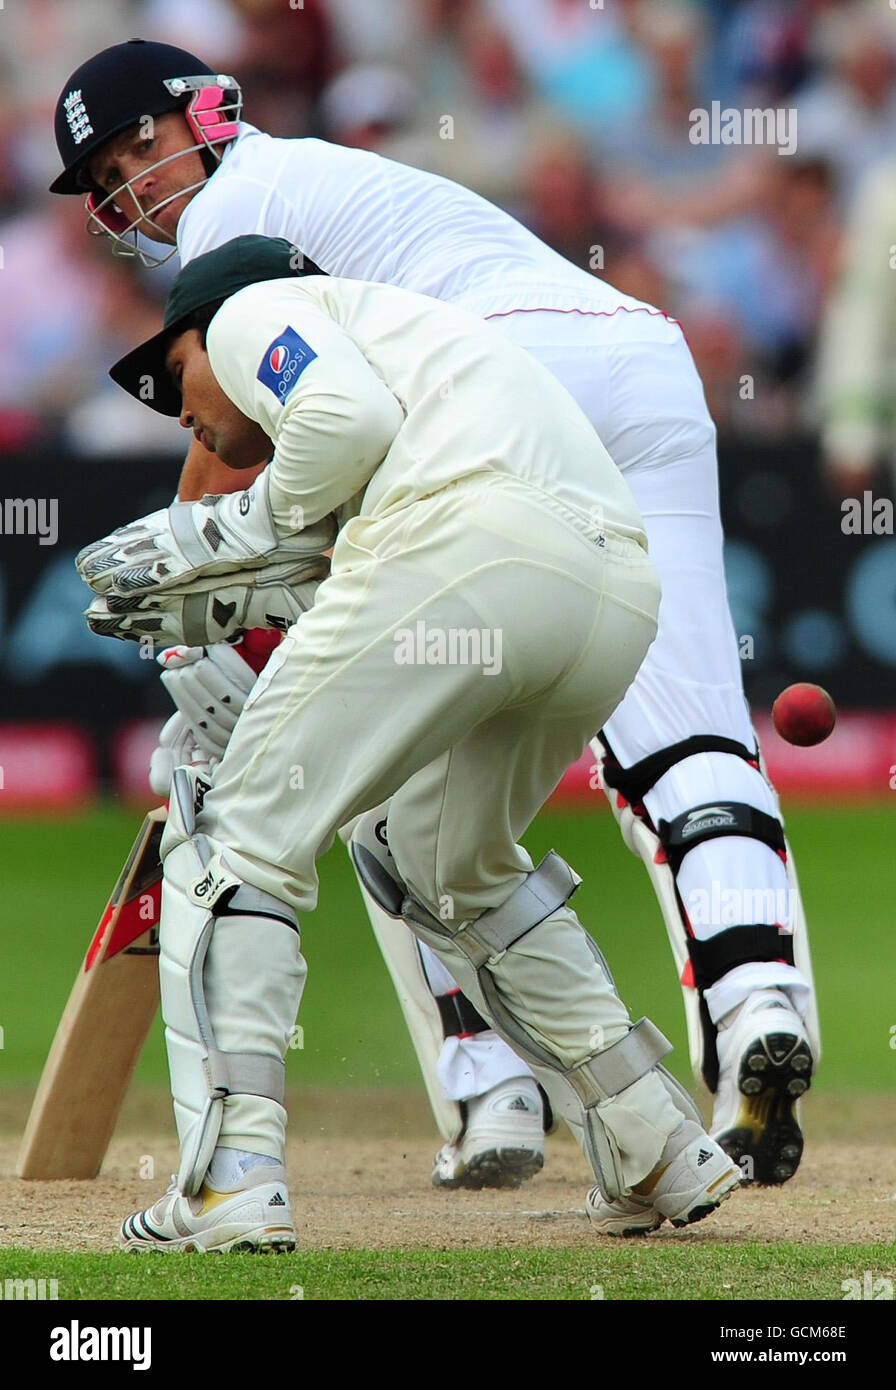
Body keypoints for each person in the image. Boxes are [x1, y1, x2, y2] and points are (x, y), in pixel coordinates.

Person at [53, 39, 818, 1190]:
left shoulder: (233, 219)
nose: (132, 187)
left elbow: (231, 440)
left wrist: (180, 626)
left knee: (380, 784)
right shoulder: (329, 180)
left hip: (501, 406)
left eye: (139, 147)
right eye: (107, 175)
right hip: (636, 363)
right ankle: (757, 1000)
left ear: (205, 115)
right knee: (687, 732)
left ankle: (486, 1085)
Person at [79, 233, 742, 1251]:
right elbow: (353, 536)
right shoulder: (418, 355)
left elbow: (345, 428)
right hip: (604, 597)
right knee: (438, 864)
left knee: (233, 838)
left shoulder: (259, 311)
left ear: (215, 326)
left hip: (471, 552)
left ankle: (230, 1183)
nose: (180, 412)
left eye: (174, 372)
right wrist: (226, 587)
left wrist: (211, 532)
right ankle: (655, 1139)